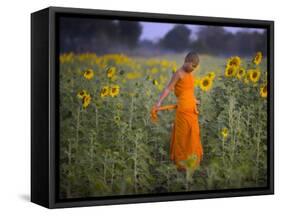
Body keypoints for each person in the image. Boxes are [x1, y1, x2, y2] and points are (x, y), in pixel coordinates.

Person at [153, 52, 203, 172]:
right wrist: (159, 102)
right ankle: (181, 165)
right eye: (193, 66)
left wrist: (194, 100)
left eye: (195, 67)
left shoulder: (190, 74)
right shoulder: (178, 73)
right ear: (186, 61)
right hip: (183, 110)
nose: (193, 69)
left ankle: (193, 162)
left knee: (193, 135)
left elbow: (188, 91)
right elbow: (168, 88)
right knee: (183, 136)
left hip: (191, 109)